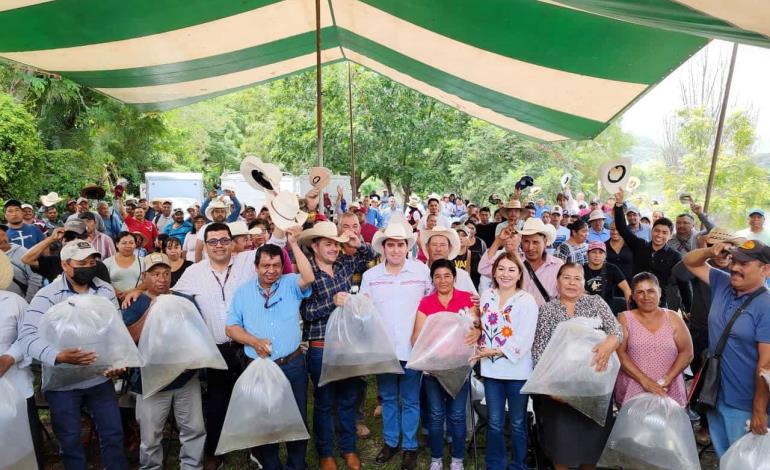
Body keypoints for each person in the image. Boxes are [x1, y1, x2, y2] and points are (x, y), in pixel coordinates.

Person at [19, 240, 128, 470]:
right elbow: (27, 337)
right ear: (65, 265)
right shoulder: (47, 296)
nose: (88, 267)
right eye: (81, 263)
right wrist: (57, 356)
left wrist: (119, 360)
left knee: (113, 434)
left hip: (100, 376)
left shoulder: (105, 290)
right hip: (63, 383)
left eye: (92, 262)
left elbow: (115, 329)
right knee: (69, 441)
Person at [171, 222, 260, 468]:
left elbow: (277, 243)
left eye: (224, 240)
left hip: (249, 346)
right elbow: (171, 300)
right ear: (205, 245)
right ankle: (215, 452)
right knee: (217, 402)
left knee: (254, 397)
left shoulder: (247, 262)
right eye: (213, 241)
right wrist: (139, 291)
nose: (219, 246)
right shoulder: (193, 272)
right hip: (217, 349)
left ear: (232, 242)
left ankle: (258, 447)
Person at [226, 228, 314, 470]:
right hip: (259, 366)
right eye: (266, 265)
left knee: (296, 416)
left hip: (292, 364)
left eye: (276, 265)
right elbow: (231, 328)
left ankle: (297, 464)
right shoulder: (243, 293)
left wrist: (293, 244)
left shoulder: (290, 283)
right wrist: (254, 342)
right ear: (256, 266)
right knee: (265, 419)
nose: (271, 270)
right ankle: (271, 464)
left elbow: (309, 276)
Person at [299, 221, 375, 470]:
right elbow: (307, 313)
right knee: (324, 402)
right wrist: (332, 302)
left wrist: (355, 243)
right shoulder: (306, 273)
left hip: (347, 343)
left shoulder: (343, 265)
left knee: (348, 399)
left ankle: (349, 448)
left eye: (335, 243)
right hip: (321, 345)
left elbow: (372, 256)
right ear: (314, 245)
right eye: (328, 243)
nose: (333, 248)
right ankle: (325, 452)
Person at [683, 239, 770, 456]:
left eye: (744, 264)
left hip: (744, 403)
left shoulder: (766, 306)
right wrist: (710, 251)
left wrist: (759, 409)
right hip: (715, 394)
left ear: (765, 269)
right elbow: (690, 262)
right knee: (724, 456)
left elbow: (766, 364)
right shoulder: (723, 283)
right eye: (734, 260)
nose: (735, 267)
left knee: (743, 461)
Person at [531, 262, 623, 470]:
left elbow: (617, 331)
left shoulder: (596, 303)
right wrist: (549, 388)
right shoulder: (547, 310)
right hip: (559, 389)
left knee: (591, 446)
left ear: (584, 282)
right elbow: (539, 352)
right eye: (567, 277)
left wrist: (610, 342)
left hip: (593, 386)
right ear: (558, 282)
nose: (572, 283)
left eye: (577, 278)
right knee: (562, 445)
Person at [121, 253, 206, 469]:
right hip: (151, 383)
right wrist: (152, 308)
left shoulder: (184, 300)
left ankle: (192, 466)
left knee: (194, 429)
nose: (162, 278)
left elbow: (198, 334)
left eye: (166, 273)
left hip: (185, 379)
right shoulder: (135, 302)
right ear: (145, 276)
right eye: (156, 274)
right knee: (150, 437)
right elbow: (130, 338)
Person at [359, 217, 430, 469]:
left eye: (401, 245)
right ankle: (391, 442)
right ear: (383, 247)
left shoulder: (421, 271)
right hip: (385, 349)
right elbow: (364, 310)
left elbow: (431, 305)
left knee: (410, 399)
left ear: (407, 247)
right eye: (391, 245)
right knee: (388, 398)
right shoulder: (370, 275)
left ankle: (410, 445)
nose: (396, 250)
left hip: (413, 347)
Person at [411, 259, 479, 470]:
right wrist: (428, 358)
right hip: (434, 368)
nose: (442, 280)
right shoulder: (426, 302)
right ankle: (436, 458)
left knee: (458, 415)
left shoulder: (468, 300)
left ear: (454, 278)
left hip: (459, 367)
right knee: (436, 413)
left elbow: (480, 327)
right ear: (432, 279)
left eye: (447, 275)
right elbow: (416, 338)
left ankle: (457, 459)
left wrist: (477, 331)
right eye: (437, 276)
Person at [471, 252, 538, 470]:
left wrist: (494, 351)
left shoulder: (527, 300)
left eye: (511, 269)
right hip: (492, 372)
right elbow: (483, 326)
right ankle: (495, 465)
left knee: (518, 422)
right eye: (501, 269)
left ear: (519, 273)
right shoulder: (486, 295)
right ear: (494, 272)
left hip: (518, 372)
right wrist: (475, 328)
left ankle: (519, 464)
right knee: (495, 423)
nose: (506, 274)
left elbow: (525, 338)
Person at [614, 272, 693, 407]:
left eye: (651, 291)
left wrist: (667, 379)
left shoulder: (673, 317)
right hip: (634, 387)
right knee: (634, 427)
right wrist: (644, 381)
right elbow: (620, 354)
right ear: (633, 296)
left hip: (669, 388)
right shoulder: (625, 318)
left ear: (660, 292)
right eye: (640, 292)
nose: (646, 297)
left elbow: (687, 352)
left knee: (669, 427)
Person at [0, 251, 44, 468]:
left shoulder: (14, 302)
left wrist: (9, 357)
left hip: (16, 384)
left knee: (24, 444)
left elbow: (30, 335)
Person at [614, 189, 691, 311]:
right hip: (635, 300)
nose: (660, 235)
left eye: (665, 232)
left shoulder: (675, 256)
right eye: (657, 231)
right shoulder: (639, 245)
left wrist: (688, 307)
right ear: (652, 231)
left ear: (670, 236)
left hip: (659, 303)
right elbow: (622, 229)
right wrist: (618, 205)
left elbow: (683, 283)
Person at [20, 221, 111, 284]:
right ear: (62, 241)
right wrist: (51, 239)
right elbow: (26, 259)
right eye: (69, 237)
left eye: (80, 236)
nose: (74, 241)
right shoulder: (53, 263)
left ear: (88, 239)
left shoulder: (97, 266)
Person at [420, 225, 477, 294]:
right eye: (434, 245)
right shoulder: (418, 274)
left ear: (450, 248)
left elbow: (475, 301)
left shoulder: (462, 275)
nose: (438, 249)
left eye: (443, 245)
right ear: (427, 247)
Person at [583, 241, 631, 314]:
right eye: (593, 252)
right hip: (587, 307)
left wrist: (630, 313)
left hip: (609, 308)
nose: (597, 255)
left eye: (600, 252)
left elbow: (627, 289)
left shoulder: (612, 268)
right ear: (587, 254)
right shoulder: (581, 270)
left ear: (605, 255)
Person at [0, 226, 42, 302]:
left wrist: (27, 301)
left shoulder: (22, 252)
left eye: (3, 235)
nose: (2, 239)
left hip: (22, 302)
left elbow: (35, 277)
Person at [104, 232, 143, 301]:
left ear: (135, 245)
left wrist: (132, 291)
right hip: (113, 300)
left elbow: (148, 282)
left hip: (137, 300)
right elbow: (102, 282)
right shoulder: (107, 262)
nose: (128, 246)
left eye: (131, 243)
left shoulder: (143, 261)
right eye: (124, 243)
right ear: (117, 244)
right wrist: (114, 291)